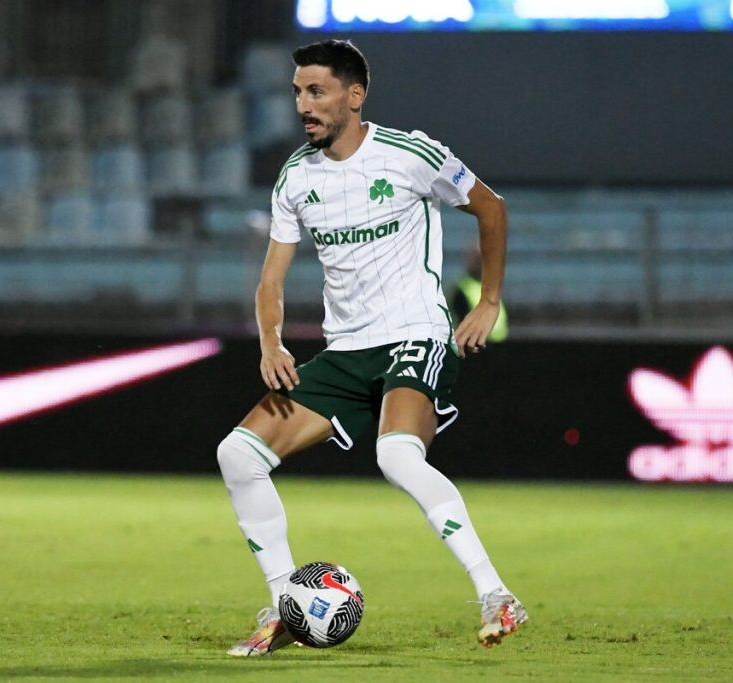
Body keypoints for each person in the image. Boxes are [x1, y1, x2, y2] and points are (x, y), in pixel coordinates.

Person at [216, 39, 527, 656]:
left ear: (354, 96)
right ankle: (285, 606)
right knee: (238, 454)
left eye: (317, 91)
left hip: (415, 334)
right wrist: (271, 342)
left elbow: (491, 209)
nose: (303, 105)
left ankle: (497, 595)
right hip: (346, 352)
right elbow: (271, 281)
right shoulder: (296, 177)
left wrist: (489, 301)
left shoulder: (410, 154)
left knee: (397, 457)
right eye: (298, 92)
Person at [451, 245, 509, 342]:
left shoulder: (492, 287)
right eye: (479, 258)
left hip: (500, 346)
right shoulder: (463, 289)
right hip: (477, 346)